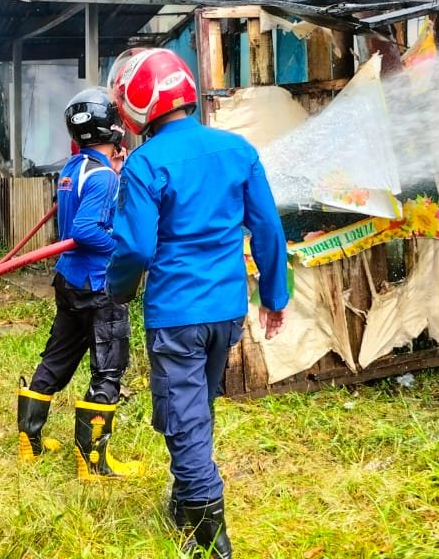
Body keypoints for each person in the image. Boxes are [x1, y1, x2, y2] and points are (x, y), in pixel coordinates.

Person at [106, 48, 289, 559]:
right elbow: (269, 229)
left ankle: (210, 537)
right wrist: (275, 296)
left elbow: (137, 247)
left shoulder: (144, 163)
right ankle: (186, 501)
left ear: (137, 105)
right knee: (195, 408)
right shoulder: (237, 150)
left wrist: (117, 290)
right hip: (226, 311)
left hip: (176, 314)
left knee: (184, 417)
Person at [17, 88, 141, 481]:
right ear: (113, 127)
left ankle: (29, 440)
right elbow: (86, 229)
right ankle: (93, 462)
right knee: (108, 369)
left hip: (69, 278)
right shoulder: (104, 176)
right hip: (99, 284)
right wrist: (123, 249)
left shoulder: (73, 167)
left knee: (58, 356)